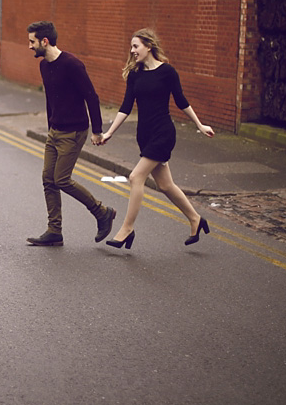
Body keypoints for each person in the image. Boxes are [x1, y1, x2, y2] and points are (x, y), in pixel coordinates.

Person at [99, 28, 215, 249]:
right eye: (131, 47)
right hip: (144, 134)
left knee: (135, 177)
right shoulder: (134, 75)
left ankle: (127, 229)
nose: (132, 51)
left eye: (136, 46)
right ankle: (195, 219)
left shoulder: (167, 72)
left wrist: (200, 125)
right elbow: (125, 106)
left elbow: (181, 101)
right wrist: (109, 133)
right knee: (165, 185)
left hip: (163, 133)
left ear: (148, 46)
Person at [26, 21, 117, 247]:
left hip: (74, 131)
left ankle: (102, 212)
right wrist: (50, 127)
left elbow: (91, 97)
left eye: (32, 41)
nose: (29, 46)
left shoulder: (72, 64)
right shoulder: (44, 66)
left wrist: (97, 130)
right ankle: (54, 231)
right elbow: (51, 100)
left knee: (61, 179)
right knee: (48, 179)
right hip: (55, 131)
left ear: (44, 41)